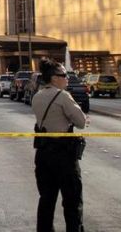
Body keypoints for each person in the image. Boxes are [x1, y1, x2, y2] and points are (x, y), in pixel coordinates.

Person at [32, 58, 88, 232]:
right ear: (54, 78)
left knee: (46, 200)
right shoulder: (62, 96)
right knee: (72, 200)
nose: (67, 78)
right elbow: (81, 122)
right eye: (64, 75)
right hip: (63, 155)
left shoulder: (37, 96)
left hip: (43, 154)